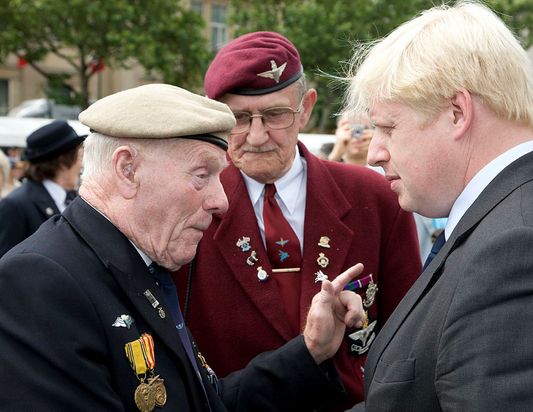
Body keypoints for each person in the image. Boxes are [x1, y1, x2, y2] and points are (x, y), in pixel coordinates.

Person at [0, 83, 367, 411]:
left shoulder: (138, 267)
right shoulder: (39, 282)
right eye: (202, 175)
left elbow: (206, 401)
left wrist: (312, 349)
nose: (220, 200)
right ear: (127, 169)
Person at [344, 1, 533, 410]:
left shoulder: (521, 252)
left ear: (457, 112)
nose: (374, 152)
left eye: (389, 127)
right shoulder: (528, 213)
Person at [174, 31, 422, 409]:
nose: (257, 137)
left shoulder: (373, 198)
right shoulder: (186, 206)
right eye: (239, 118)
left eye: (275, 115)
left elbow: (411, 338)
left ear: (305, 108)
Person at [0, 120, 85, 257]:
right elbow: (6, 267)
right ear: (63, 161)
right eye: (79, 157)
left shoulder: (73, 197)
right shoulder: (15, 205)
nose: (81, 165)